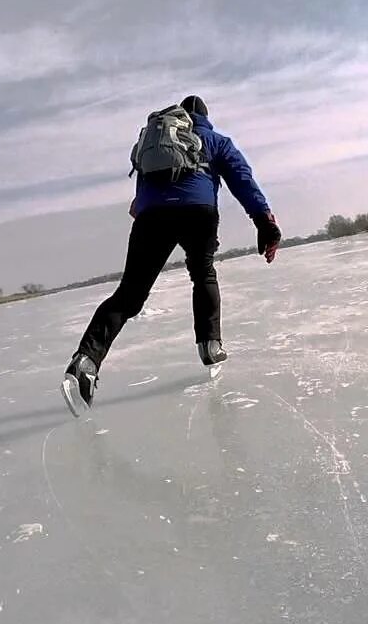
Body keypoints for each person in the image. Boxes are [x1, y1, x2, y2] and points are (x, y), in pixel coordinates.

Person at [62, 95, 281, 416]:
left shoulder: (155, 143)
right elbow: (242, 180)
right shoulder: (216, 141)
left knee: (129, 295)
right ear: (205, 117)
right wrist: (264, 221)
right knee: (202, 273)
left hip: (152, 217)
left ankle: (86, 361)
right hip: (198, 212)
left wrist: (149, 219)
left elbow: (140, 197)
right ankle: (210, 345)